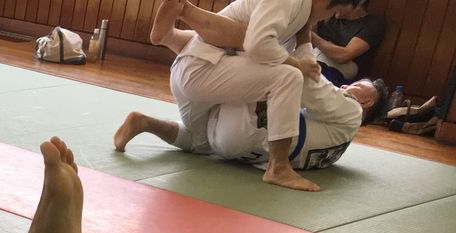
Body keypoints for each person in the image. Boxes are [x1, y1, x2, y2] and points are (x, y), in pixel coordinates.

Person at [116, 5, 388, 171]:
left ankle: (182, 24)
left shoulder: (352, 113)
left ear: (367, 103)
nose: (348, 86)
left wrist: (303, 35)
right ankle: (145, 122)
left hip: (247, 129)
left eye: (358, 86)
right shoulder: (338, 141)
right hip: (241, 148)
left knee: (267, 53)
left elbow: (309, 84)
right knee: (200, 141)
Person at [155, 0, 366, 192]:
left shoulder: (300, 12)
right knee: (289, 76)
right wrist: (296, 64)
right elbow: (258, 45)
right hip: (201, 73)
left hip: (196, 72)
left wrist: (304, 54)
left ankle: (145, 122)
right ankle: (278, 167)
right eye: (335, 10)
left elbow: (301, 53)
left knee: (201, 143)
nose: (331, 17)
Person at [310, 0, 385, 85]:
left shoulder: (373, 24)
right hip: (313, 60)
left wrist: (309, 33)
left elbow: (343, 56)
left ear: (358, 4)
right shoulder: (330, 14)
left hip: (336, 72)